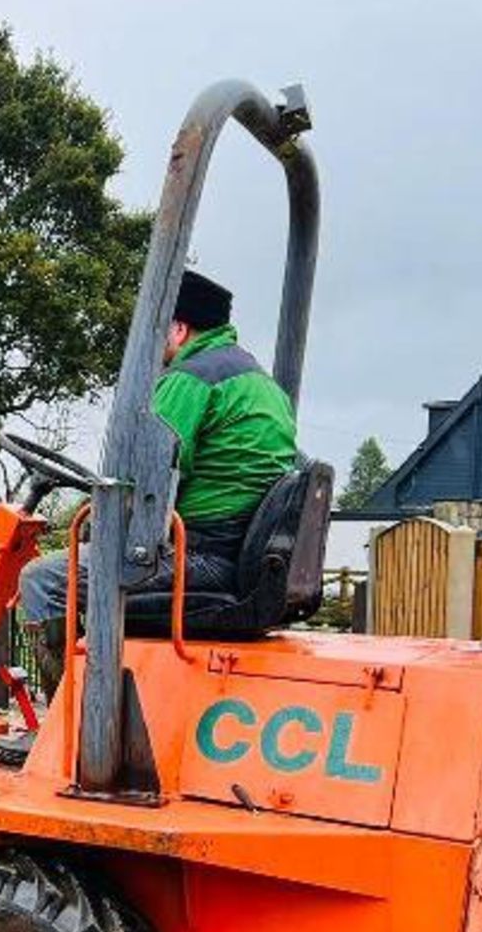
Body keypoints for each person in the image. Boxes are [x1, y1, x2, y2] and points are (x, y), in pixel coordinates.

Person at [16, 269, 299, 688]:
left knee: (43, 579)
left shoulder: (190, 378)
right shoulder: (259, 382)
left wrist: (94, 524)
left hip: (204, 557)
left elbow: (142, 481)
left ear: (180, 328)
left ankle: (70, 720)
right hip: (241, 553)